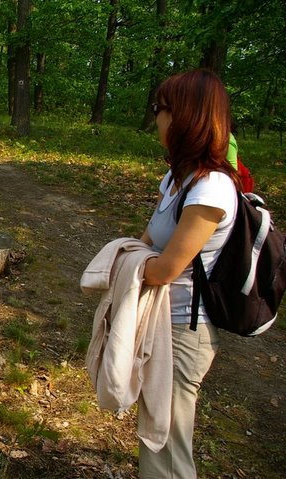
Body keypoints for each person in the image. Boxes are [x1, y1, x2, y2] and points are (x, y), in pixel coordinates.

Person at [140, 69, 240, 477]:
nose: (157, 120)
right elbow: (148, 239)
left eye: (161, 110)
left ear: (185, 117)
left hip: (184, 333)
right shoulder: (176, 178)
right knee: (154, 438)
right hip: (161, 322)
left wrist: (122, 262)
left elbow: (164, 268)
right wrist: (135, 258)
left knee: (168, 447)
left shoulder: (211, 189)